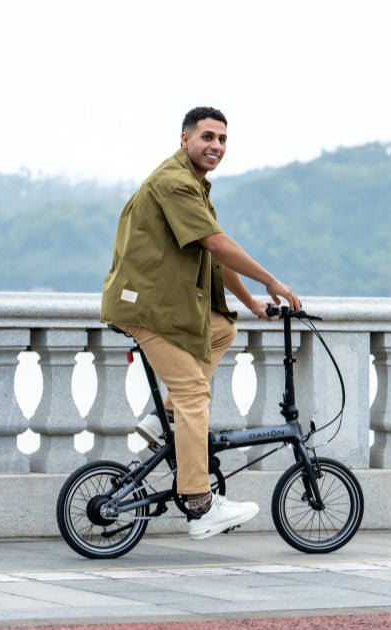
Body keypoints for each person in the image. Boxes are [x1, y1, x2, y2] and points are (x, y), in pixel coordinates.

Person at [101, 106, 302, 540]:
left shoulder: (192, 184)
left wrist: (249, 302)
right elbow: (216, 242)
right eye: (207, 137)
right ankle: (199, 503)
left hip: (162, 305)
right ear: (184, 139)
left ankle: (163, 420)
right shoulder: (175, 183)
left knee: (221, 328)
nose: (215, 146)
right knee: (195, 393)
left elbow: (211, 250)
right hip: (147, 308)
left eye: (222, 139)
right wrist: (271, 281)